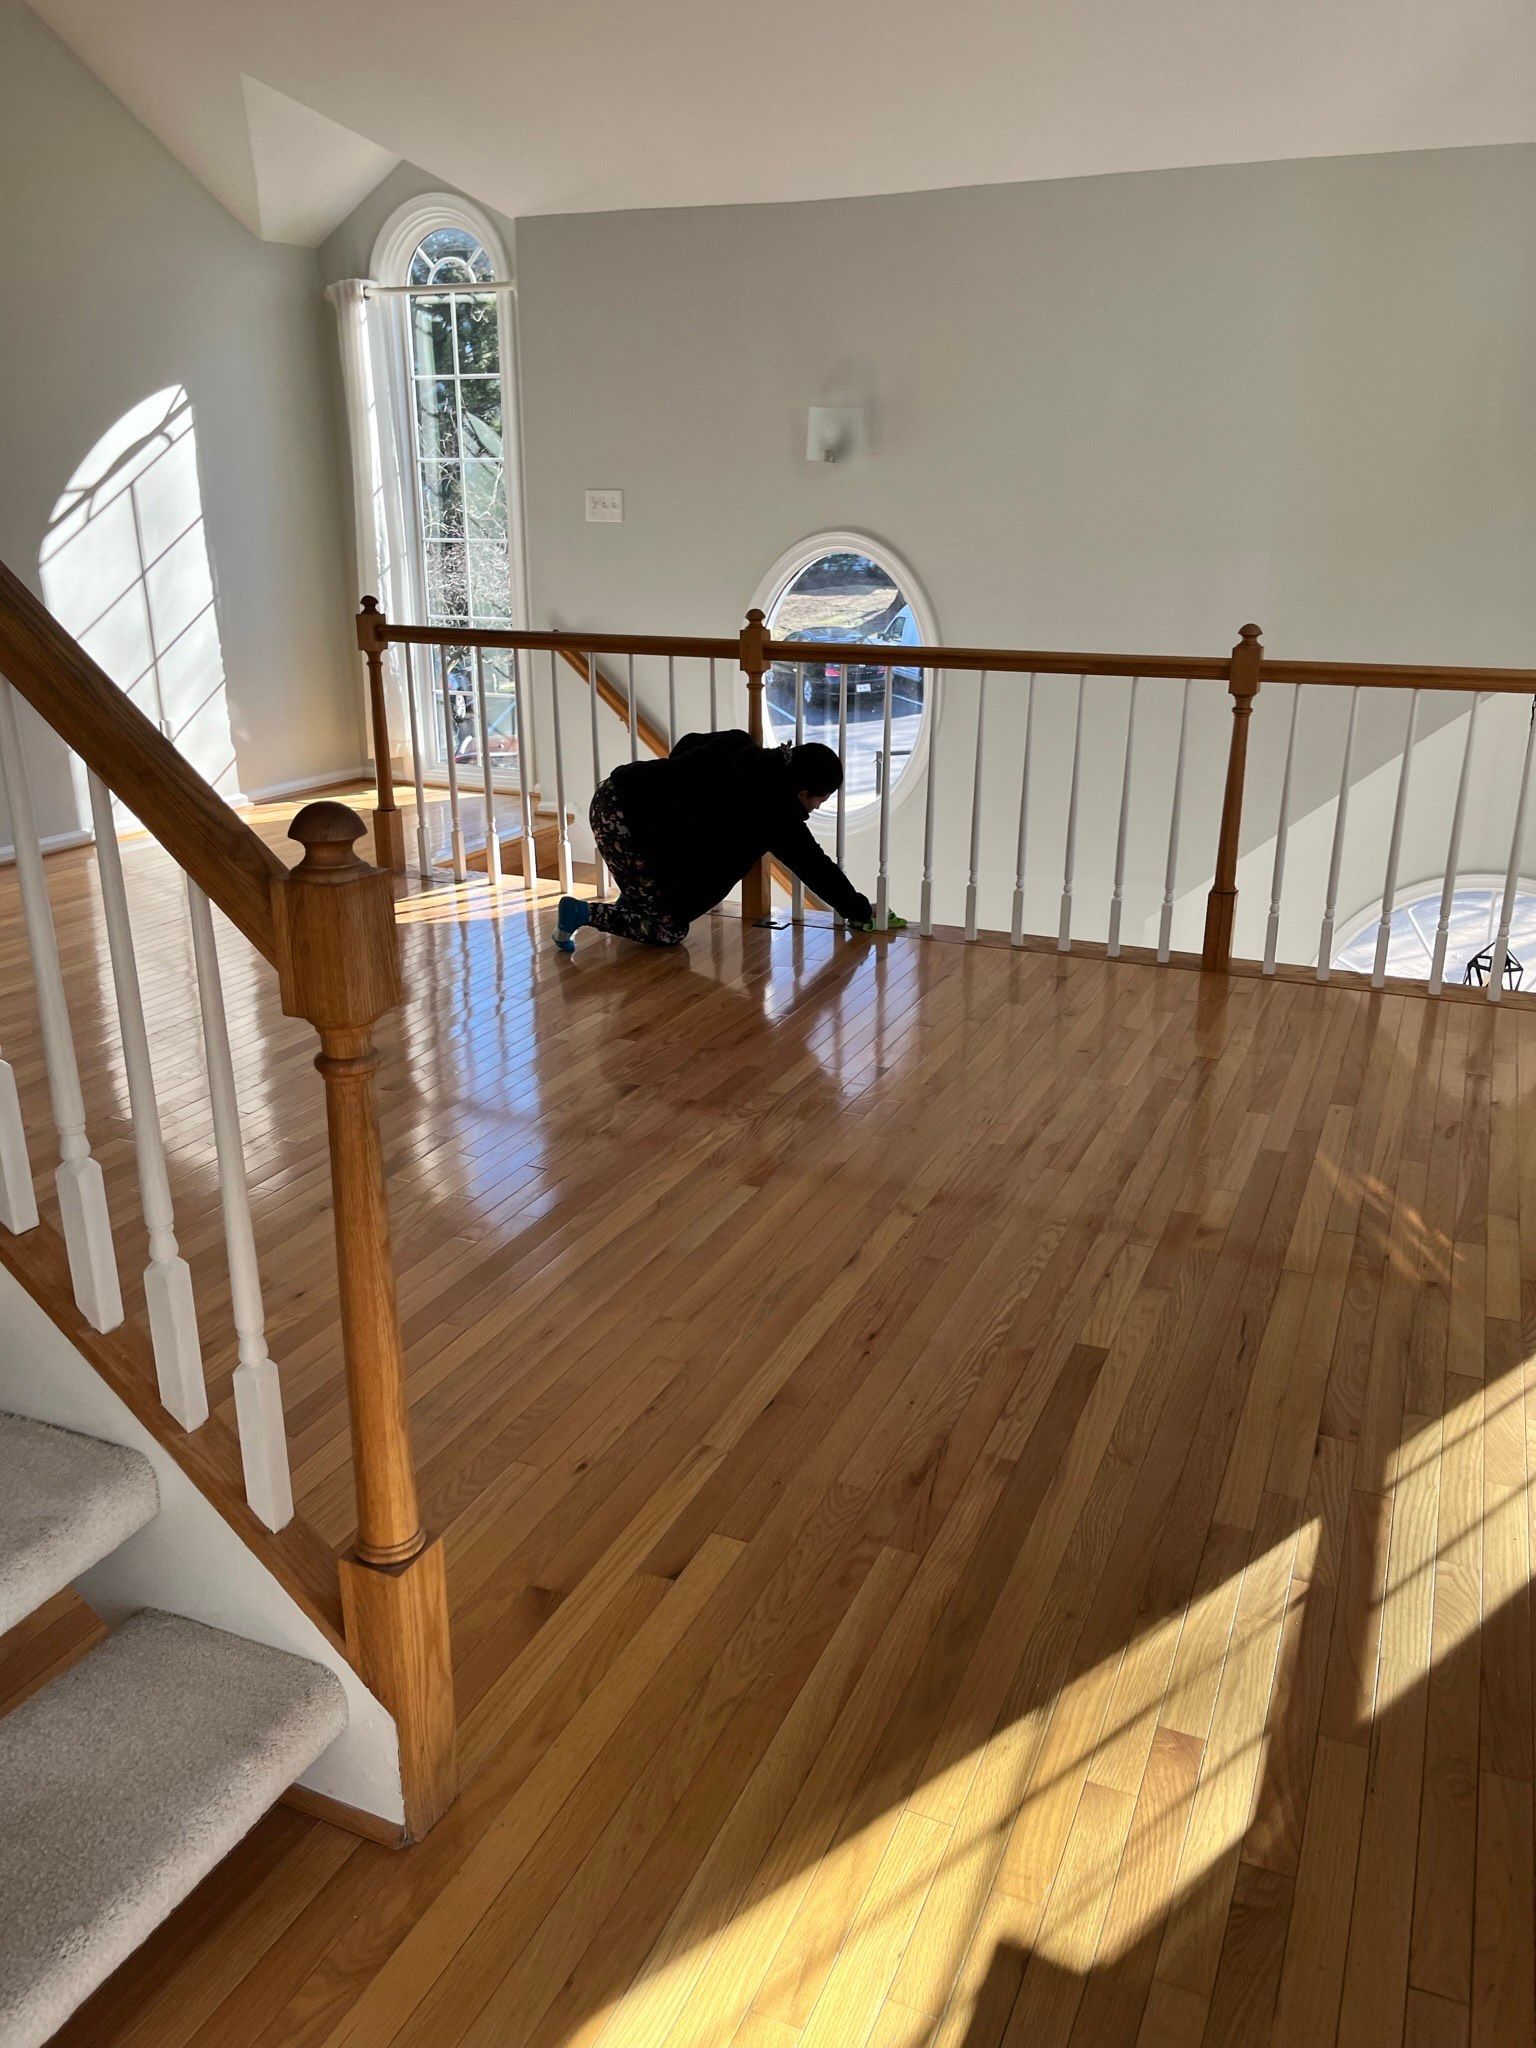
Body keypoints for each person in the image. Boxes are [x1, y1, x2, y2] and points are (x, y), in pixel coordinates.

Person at [554, 732, 884, 951]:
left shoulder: (740, 745)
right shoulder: (775, 814)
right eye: (819, 800)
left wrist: (677, 790)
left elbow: (685, 745)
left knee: (655, 883)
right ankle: (580, 913)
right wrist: (858, 909)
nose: (816, 808)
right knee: (667, 929)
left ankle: (636, 901)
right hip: (625, 823)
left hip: (614, 792)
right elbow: (815, 867)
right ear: (802, 792)